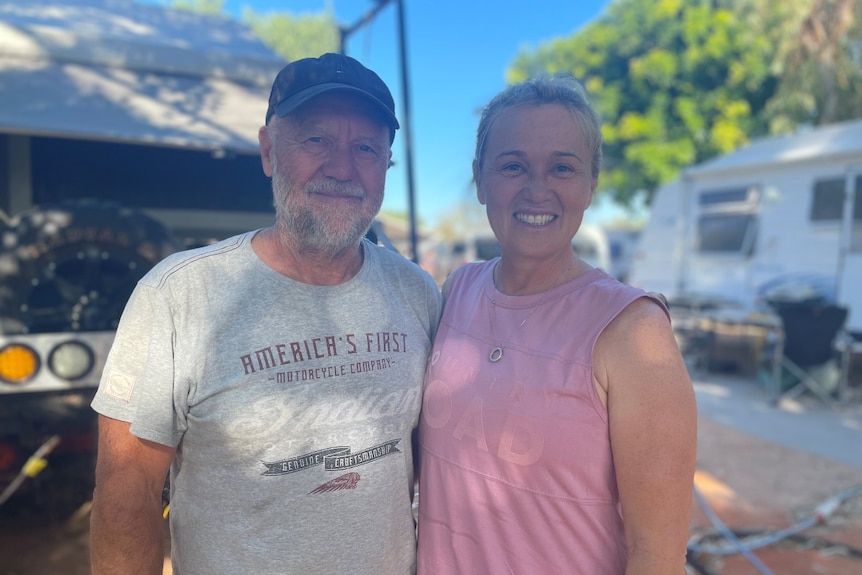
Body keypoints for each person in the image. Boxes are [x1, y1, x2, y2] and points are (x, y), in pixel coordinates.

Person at [90, 52, 442, 575]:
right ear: (269, 151)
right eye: (316, 139)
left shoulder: (416, 293)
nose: (343, 168)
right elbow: (127, 491)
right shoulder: (178, 295)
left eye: (366, 147)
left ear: (386, 165)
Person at [416, 75, 697, 574]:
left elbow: (657, 556)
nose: (537, 189)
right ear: (480, 179)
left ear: (591, 185)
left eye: (562, 168)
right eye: (513, 165)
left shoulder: (632, 331)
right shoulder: (457, 290)